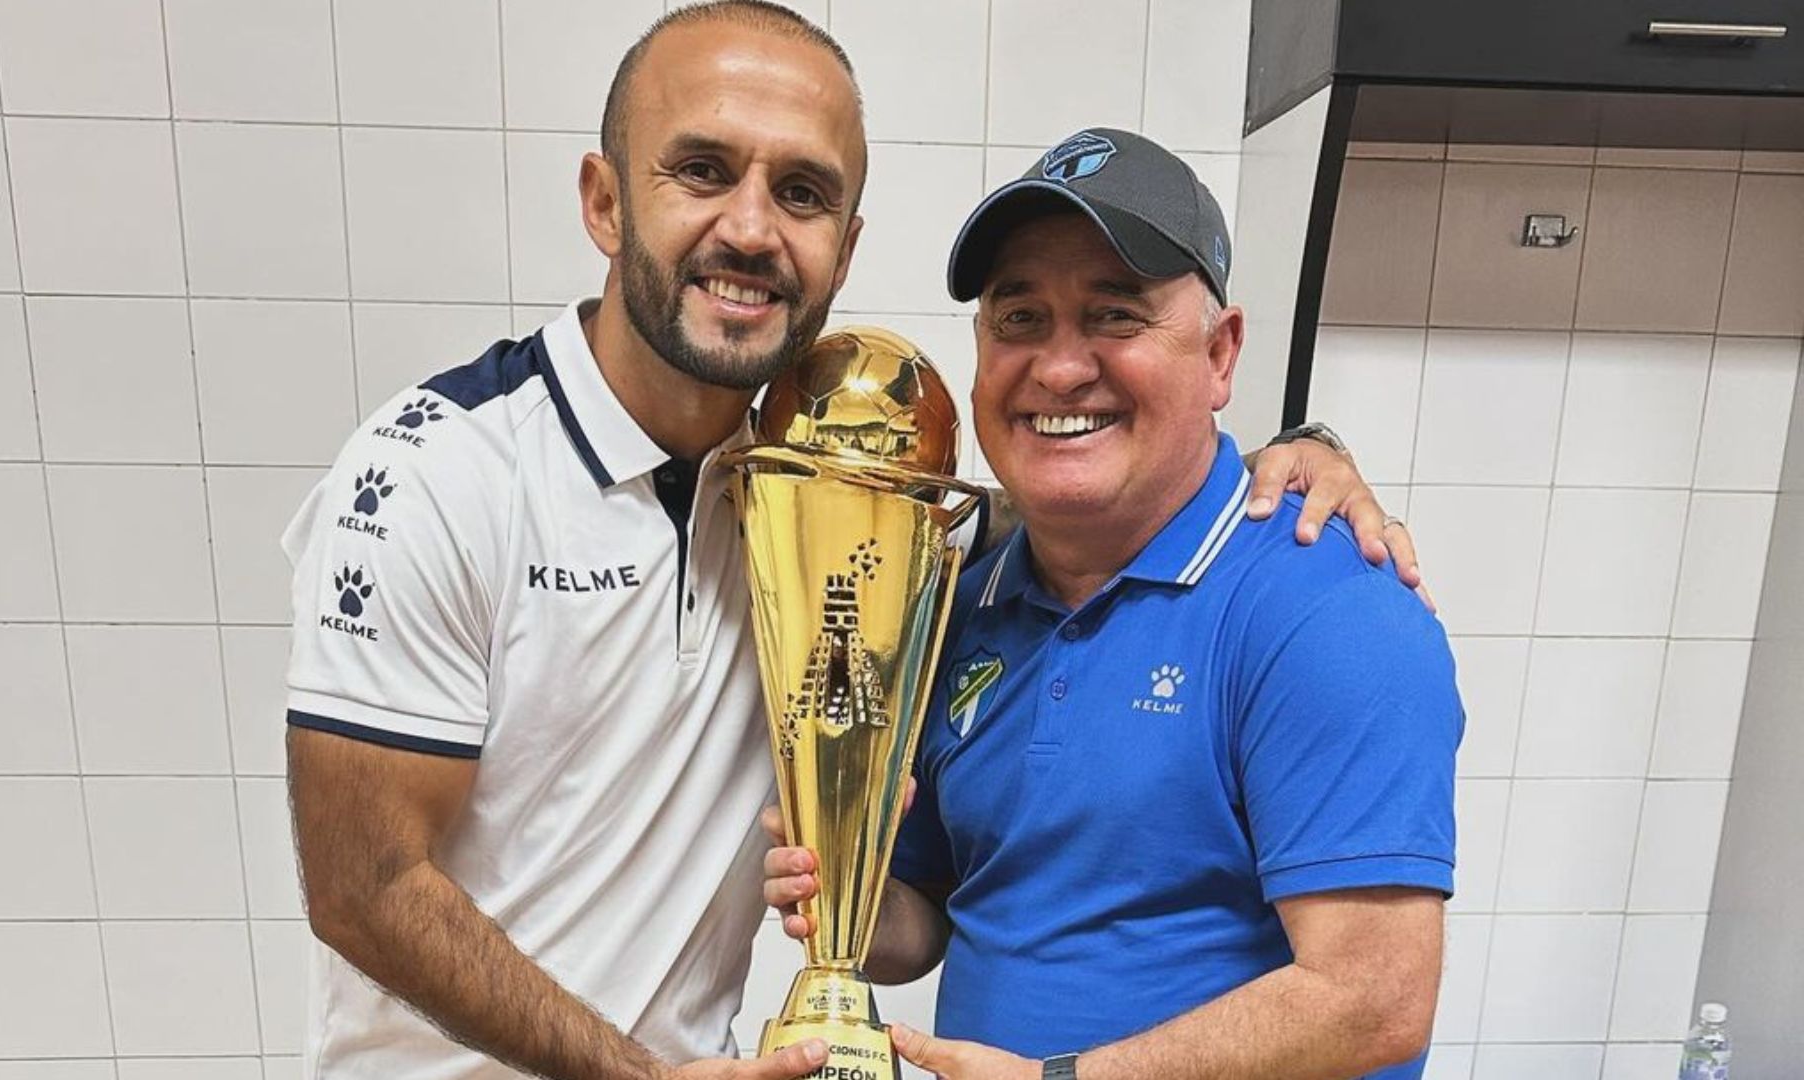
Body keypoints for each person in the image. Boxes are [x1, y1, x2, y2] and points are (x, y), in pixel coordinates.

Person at [282, 4, 1414, 1077]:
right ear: (605, 200)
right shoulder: (437, 473)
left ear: (847, 243)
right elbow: (363, 886)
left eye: (804, 192)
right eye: (702, 169)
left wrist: (1292, 453)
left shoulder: (843, 504)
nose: (750, 227)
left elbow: (1109, 486)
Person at [764, 129, 1462, 1080]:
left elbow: (1373, 1001)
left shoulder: (1323, 606)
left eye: (1115, 316)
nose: (1058, 369)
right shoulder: (964, 599)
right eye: (1020, 319)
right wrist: (843, 888)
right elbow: (932, 918)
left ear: (1221, 354)